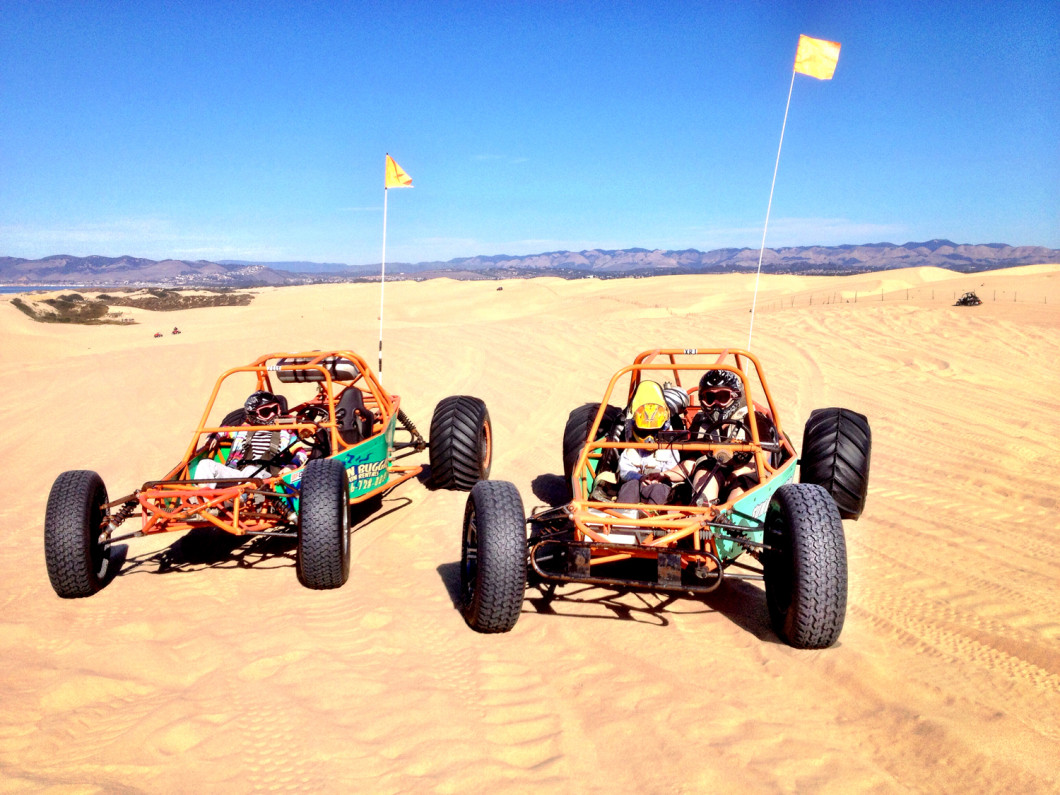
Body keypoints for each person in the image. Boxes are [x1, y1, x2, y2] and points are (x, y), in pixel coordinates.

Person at [193, 391, 308, 481]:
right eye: (266, 412)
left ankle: (238, 501)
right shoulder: (244, 430)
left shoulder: (286, 433)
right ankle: (201, 502)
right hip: (237, 474)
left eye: (275, 409)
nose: (274, 414)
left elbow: (301, 452)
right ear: (253, 416)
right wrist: (214, 436)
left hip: (268, 477)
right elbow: (225, 430)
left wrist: (291, 466)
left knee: (250, 470)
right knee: (205, 465)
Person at [616, 401, 685, 506]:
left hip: (660, 484)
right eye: (644, 432)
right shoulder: (630, 450)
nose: (649, 439)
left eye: (654, 432)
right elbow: (624, 472)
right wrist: (640, 478)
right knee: (630, 485)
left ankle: (653, 514)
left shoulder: (670, 450)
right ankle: (623, 514)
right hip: (637, 483)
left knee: (660, 489)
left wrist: (659, 477)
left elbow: (672, 470)